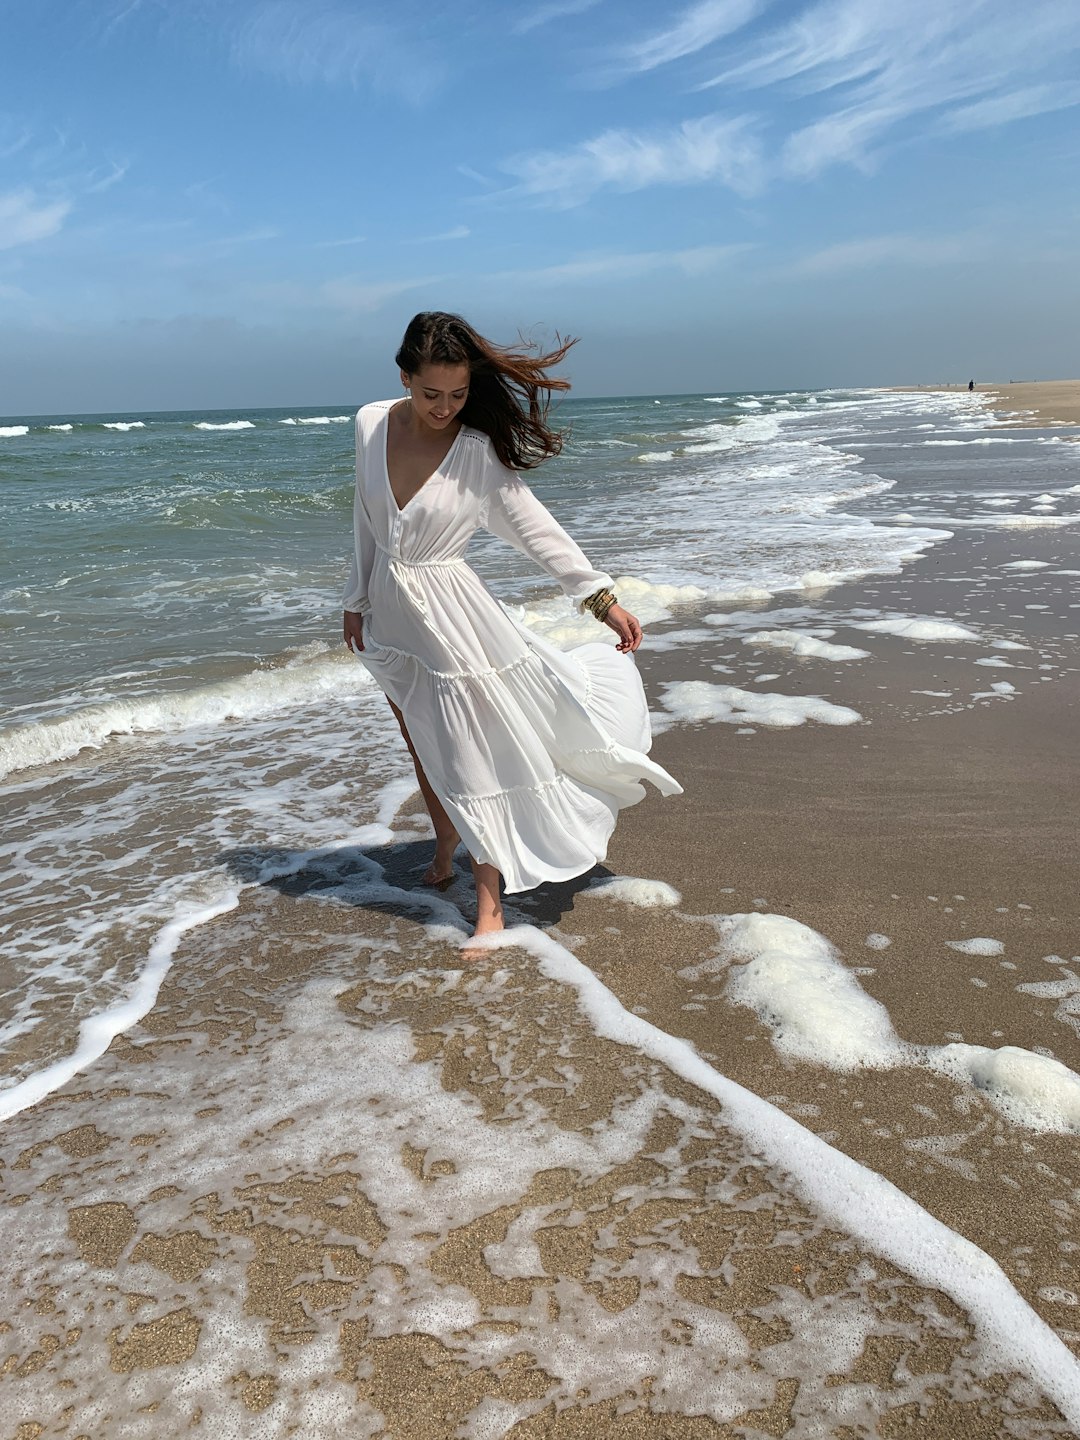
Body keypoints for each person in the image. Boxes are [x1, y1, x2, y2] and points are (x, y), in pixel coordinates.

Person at [343, 311, 681, 939]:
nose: (445, 407)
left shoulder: (476, 455)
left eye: (459, 393)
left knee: (470, 756)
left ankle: (489, 903)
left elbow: (537, 532)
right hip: (392, 615)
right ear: (404, 377)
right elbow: (365, 521)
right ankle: (445, 846)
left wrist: (600, 599)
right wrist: (356, 598)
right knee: (422, 740)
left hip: (453, 620)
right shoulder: (369, 423)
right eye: (431, 393)